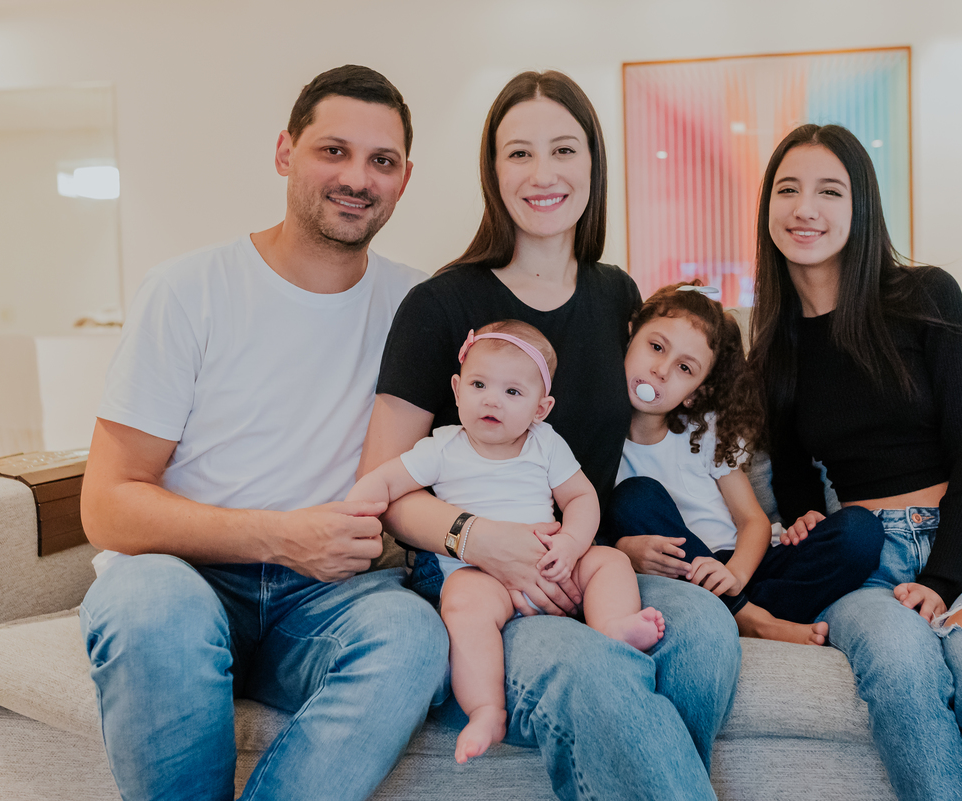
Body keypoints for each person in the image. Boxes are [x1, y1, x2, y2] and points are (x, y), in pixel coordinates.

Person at [360, 70, 739, 800]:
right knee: (599, 674)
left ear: (594, 164)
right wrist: (478, 538)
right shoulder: (441, 303)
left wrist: (609, 542)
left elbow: (640, 445)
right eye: (519, 154)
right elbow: (387, 485)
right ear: (492, 170)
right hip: (482, 579)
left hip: (578, 558)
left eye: (564, 150)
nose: (543, 174)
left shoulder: (618, 297)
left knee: (707, 638)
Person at [78, 65, 449, 801]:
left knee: (413, 638)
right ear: (285, 152)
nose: (358, 178)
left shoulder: (420, 304)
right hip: (186, 574)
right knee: (147, 608)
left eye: (382, 161)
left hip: (332, 598)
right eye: (332, 151)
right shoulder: (190, 290)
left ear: (405, 179)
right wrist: (280, 536)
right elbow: (107, 504)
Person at [749, 123, 962, 799]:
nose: (805, 208)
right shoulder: (775, 346)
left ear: (860, 206)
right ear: (768, 208)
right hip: (866, 568)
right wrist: (809, 515)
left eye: (828, 191)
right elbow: (791, 472)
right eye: (788, 189)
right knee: (900, 673)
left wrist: (944, 576)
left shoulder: (924, 294)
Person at [349, 319, 664, 764]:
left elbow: (580, 497)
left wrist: (572, 544)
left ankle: (612, 626)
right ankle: (486, 709)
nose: (492, 399)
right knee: (460, 602)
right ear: (457, 390)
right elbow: (383, 480)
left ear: (541, 407)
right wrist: (357, 505)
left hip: (555, 563)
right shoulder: (442, 447)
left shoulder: (545, 444)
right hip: (482, 577)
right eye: (479, 384)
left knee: (609, 561)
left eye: (513, 392)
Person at [607, 282, 883, 645]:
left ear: (697, 394)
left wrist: (735, 573)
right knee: (634, 495)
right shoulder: (595, 443)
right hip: (678, 575)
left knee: (861, 531)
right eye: (656, 347)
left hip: (741, 567)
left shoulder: (702, 432)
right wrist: (625, 551)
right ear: (630, 336)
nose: (660, 370)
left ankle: (741, 611)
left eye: (685, 368)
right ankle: (751, 618)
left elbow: (752, 521)